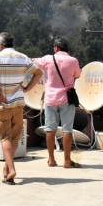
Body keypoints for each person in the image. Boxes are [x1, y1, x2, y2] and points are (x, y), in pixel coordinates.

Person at [0, 32, 42, 185]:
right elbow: (39, 72)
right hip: (19, 103)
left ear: (0, 44)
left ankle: (11, 169)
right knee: (15, 137)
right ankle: (7, 169)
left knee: (4, 137)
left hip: (3, 104)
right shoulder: (22, 57)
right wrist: (27, 88)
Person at [32, 37, 82, 168]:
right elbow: (78, 75)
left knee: (50, 129)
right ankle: (67, 161)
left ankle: (51, 160)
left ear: (56, 47)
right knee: (67, 130)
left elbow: (32, 62)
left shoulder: (47, 59)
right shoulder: (73, 61)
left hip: (50, 99)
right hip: (67, 99)